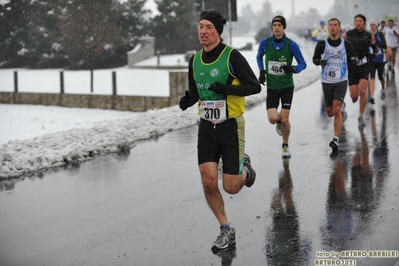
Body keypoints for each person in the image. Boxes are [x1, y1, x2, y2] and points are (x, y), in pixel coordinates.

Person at [179, 9, 261, 250]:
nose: (203, 32)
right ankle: (226, 229)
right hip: (206, 127)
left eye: (208, 28)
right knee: (208, 182)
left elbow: (253, 86)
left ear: (218, 32)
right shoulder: (194, 60)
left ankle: (244, 168)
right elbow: (196, 90)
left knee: (231, 187)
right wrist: (188, 100)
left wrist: (227, 89)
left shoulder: (231, 57)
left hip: (231, 126)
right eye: (201, 27)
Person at [256, 15, 307, 158]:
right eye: (274, 25)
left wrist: (293, 69)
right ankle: (279, 123)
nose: (276, 27)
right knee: (273, 118)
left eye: (279, 25)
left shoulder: (291, 45)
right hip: (272, 86)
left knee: (285, 119)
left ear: (283, 27)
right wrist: (261, 71)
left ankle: (285, 145)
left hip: (286, 86)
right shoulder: (265, 43)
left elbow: (303, 63)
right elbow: (258, 56)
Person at [313, 18, 358, 155]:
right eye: (330, 25)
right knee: (330, 112)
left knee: (336, 108)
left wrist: (353, 60)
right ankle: (341, 108)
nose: (332, 27)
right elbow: (314, 59)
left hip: (341, 79)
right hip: (326, 81)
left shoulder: (346, 44)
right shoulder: (322, 44)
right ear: (328, 28)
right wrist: (320, 61)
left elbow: (353, 56)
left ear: (339, 28)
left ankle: (335, 139)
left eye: (335, 25)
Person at [342, 14, 378, 128]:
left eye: (360, 21)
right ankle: (350, 100)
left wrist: (373, 53)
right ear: (354, 23)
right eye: (356, 21)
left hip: (363, 66)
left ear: (364, 23)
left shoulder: (368, 35)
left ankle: (361, 116)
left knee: (362, 90)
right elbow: (340, 46)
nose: (358, 23)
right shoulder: (348, 34)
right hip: (352, 67)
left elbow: (375, 48)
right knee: (354, 95)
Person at [368, 19, 387, 102]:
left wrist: (375, 42)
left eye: (373, 25)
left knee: (380, 77)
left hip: (380, 59)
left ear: (376, 26)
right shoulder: (368, 35)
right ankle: (372, 96)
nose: (372, 27)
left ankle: (383, 87)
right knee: (372, 77)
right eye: (371, 25)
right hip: (372, 59)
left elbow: (385, 46)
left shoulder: (380, 34)